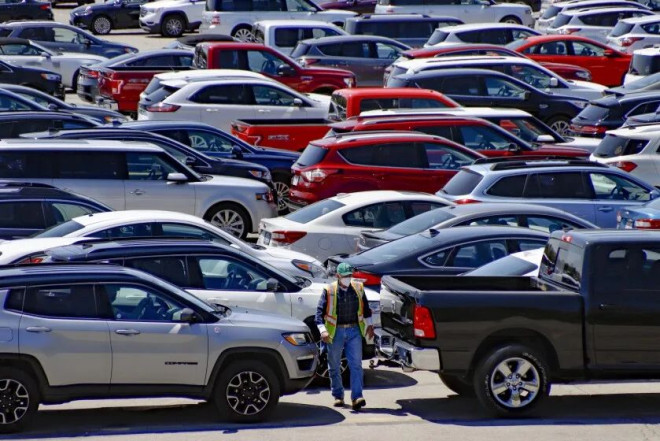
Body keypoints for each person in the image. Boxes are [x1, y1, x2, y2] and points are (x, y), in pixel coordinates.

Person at [315, 262, 374, 411]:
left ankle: (357, 397)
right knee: (334, 365)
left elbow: (366, 310)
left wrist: (370, 325)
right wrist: (323, 330)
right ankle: (338, 396)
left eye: (350, 275)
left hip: (354, 330)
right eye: (345, 276)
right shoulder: (329, 291)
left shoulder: (358, 288)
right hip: (336, 333)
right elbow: (318, 315)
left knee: (356, 365)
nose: (348, 278)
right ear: (338, 276)